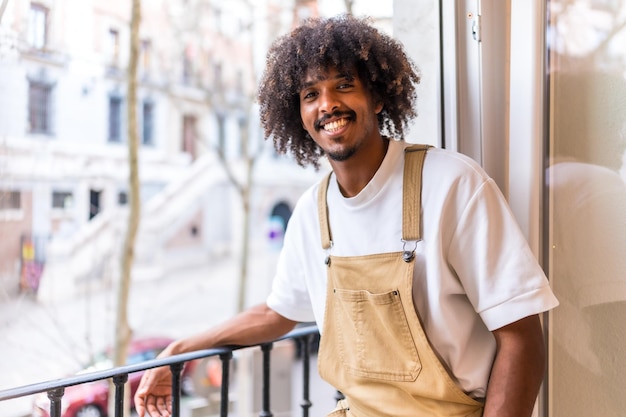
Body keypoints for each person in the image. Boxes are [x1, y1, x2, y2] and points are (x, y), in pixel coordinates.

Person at [135, 15, 559, 417]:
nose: (328, 105)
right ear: (298, 116)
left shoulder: (452, 183)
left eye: (344, 86)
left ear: (376, 97)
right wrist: (180, 349)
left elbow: (521, 337)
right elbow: (275, 313)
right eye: (310, 94)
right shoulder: (311, 212)